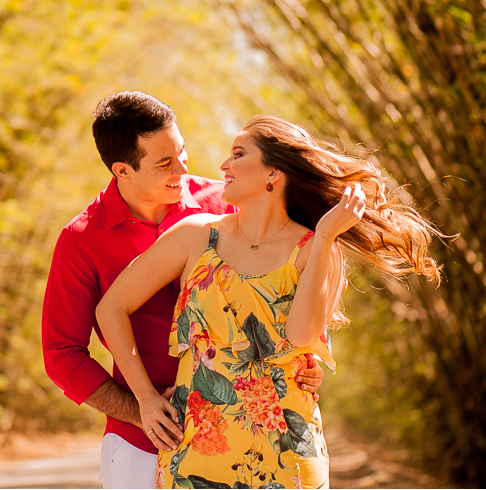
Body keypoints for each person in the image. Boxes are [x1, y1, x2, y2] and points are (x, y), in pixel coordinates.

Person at [96, 115, 443, 489]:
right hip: (197, 446)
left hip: (287, 451)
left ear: (273, 173)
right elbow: (110, 308)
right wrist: (146, 400)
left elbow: (299, 337)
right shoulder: (194, 236)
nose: (223, 166)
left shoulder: (316, 248)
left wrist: (326, 237)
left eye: (238, 154)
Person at [42, 94, 324, 489]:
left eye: (182, 152)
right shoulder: (81, 241)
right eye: (164, 163)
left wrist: (308, 355)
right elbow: (62, 354)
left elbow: (290, 270)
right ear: (122, 170)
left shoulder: (227, 204)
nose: (182, 168)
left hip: (242, 432)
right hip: (140, 440)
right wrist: (140, 408)